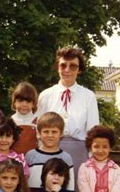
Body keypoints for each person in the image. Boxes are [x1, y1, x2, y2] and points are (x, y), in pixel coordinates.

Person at [36, 46, 99, 184]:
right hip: (50, 148)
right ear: (57, 67)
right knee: (50, 189)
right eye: (63, 65)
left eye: (73, 66)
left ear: (79, 69)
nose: (67, 70)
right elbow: (38, 129)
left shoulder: (88, 96)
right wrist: (41, 153)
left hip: (79, 150)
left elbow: (93, 130)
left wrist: (91, 158)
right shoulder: (46, 95)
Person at [26, 112, 75, 192]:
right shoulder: (30, 155)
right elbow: (25, 183)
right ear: (38, 133)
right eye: (46, 131)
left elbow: (70, 188)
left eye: (54, 132)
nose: (50, 135)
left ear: (61, 133)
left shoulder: (66, 158)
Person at [10, 82, 39, 154]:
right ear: (14, 102)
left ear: (33, 104)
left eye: (28, 101)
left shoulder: (38, 121)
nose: (24, 105)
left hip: (33, 161)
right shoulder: (10, 121)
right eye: (20, 101)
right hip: (14, 161)